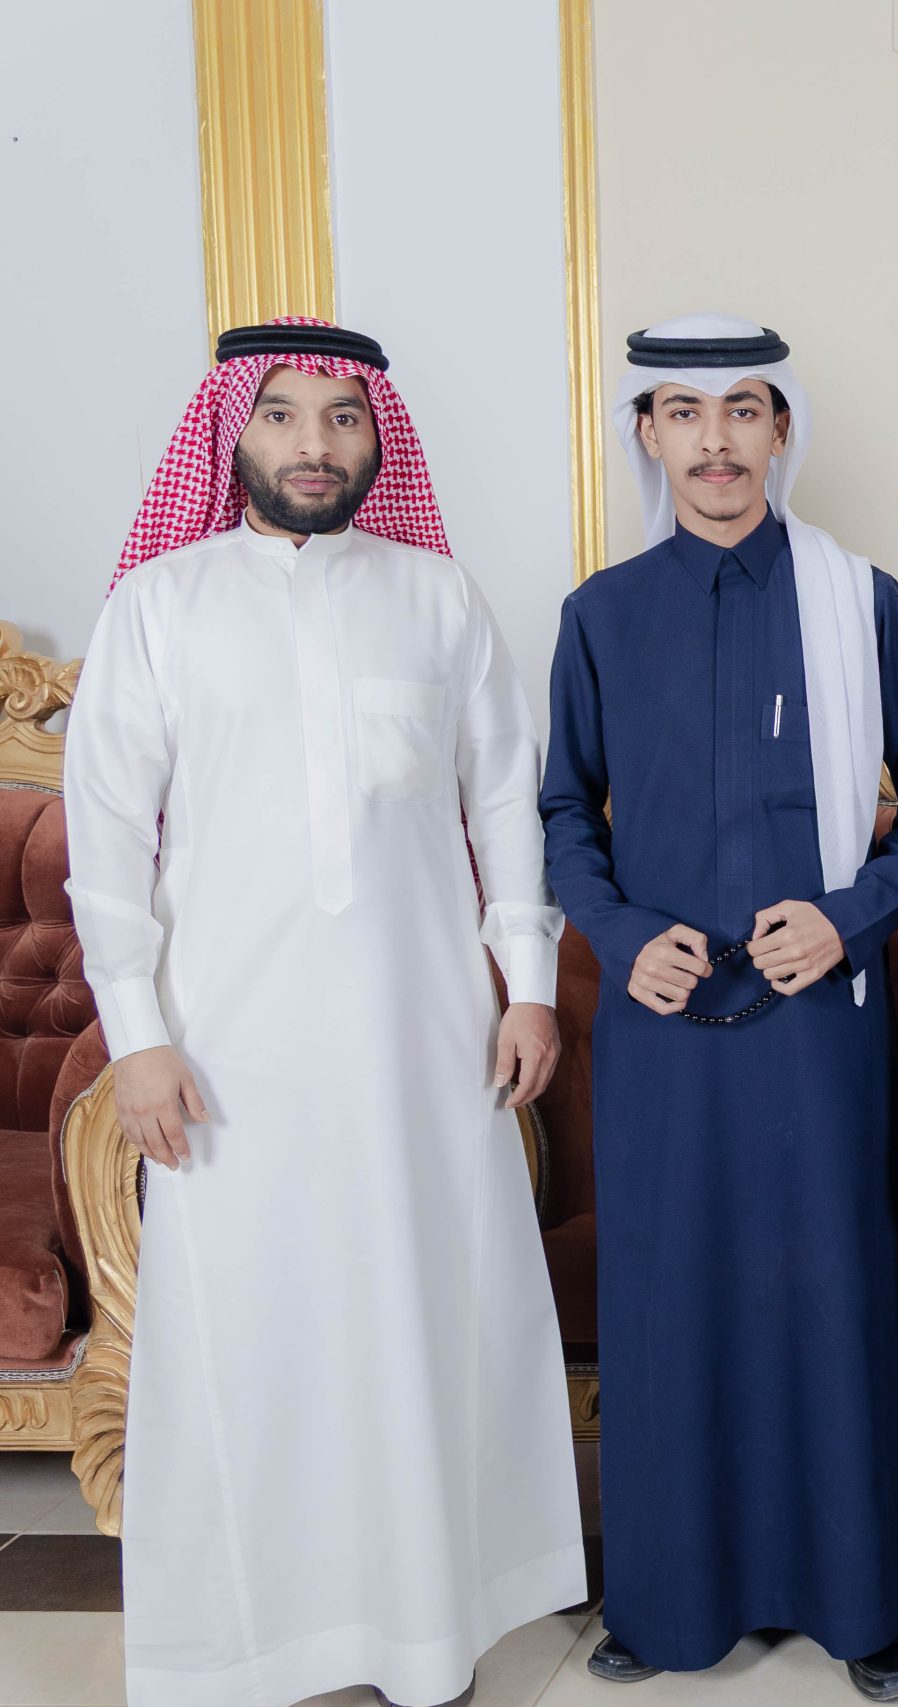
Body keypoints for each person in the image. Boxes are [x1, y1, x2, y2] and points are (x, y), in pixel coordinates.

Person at [65, 317, 583, 1707]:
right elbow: (105, 843)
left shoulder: (438, 597)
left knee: (421, 1325)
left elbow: (503, 805)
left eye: (343, 417)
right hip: (227, 1054)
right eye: (284, 414)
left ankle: (423, 1634)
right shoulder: (160, 605)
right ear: (233, 431)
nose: (314, 443)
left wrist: (529, 990)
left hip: (426, 1044)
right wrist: (138, 1039)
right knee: (256, 1339)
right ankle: (256, 1644)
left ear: (376, 440)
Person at [541, 316, 898, 1695]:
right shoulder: (600, 614)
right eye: (683, 412)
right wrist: (617, 935)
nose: (714, 442)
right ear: (648, 434)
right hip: (660, 1033)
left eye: (741, 412)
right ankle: (668, 1601)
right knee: (671, 1305)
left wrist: (848, 915)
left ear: (781, 430)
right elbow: (562, 811)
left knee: (832, 1298)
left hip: (816, 1030)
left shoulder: (861, 602)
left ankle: (864, 1602)